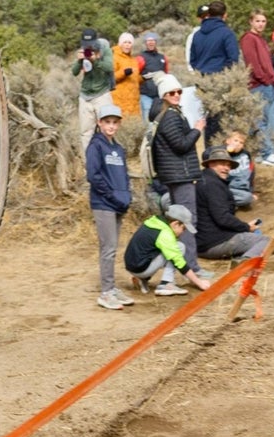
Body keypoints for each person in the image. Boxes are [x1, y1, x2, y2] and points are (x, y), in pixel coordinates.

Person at [147, 73, 203, 281]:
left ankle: (179, 268)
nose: (177, 95)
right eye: (171, 92)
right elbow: (180, 145)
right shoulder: (170, 115)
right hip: (180, 175)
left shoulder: (165, 113)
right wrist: (197, 131)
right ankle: (192, 268)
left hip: (174, 174)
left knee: (179, 221)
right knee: (187, 220)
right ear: (164, 95)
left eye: (179, 91)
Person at [86, 97, 135, 310]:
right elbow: (94, 176)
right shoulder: (96, 146)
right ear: (99, 123)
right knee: (108, 248)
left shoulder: (119, 149)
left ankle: (112, 287)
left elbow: (123, 175)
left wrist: (126, 196)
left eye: (115, 122)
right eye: (107, 122)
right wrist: (113, 197)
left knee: (113, 247)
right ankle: (106, 292)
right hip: (103, 204)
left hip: (118, 204)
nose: (111, 126)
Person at [194, 145, 271, 265]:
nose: (226, 168)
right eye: (222, 164)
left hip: (203, 241)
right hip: (213, 243)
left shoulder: (205, 180)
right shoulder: (213, 185)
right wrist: (246, 227)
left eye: (228, 165)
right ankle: (244, 263)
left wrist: (243, 226)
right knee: (267, 241)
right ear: (211, 164)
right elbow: (222, 218)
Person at [122, 204, 209, 297]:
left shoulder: (155, 221)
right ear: (175, 224)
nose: (183, 232)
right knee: (179, 247)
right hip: (141, 269)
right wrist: (199, 282)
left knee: (161, 250)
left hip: (132, 265)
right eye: (183, 228)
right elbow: (179, 262)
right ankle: (166, 284)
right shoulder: (165, 233)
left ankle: (142, 279)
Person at [240, 10, 274, 163]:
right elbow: (252, 63)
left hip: (266, 84)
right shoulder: (249, 39)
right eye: (258, 21)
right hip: (258, 85)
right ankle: (267, 154)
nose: (260, 24)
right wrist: (265, 79)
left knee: (262, 121)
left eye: (263, 21)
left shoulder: (260, 39)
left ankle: (260, 154)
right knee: (260, 121)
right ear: (251, 22)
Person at [74, 29, 114, 143]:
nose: (88, 47)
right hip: (85, 96)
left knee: (107, 129)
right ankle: (90, 159)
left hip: (102, 94)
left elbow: (109, 67)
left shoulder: (105, 49)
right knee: (85, 132)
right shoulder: (82, 51)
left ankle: (107, 156)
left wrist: (95, 60)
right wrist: (78, 61)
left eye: (90, 43)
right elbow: (74, 72)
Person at [188, 1, 240, 74]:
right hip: (220, 80)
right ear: (225, 15)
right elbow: (233, 58)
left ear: (209, 14)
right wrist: (224, 73)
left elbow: (192, 60)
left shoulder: (197, 35)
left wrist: (200, 72)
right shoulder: (227, 34)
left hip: (201, 79)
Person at [110, 32, 142, 124]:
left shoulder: (133, 60)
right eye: (125, 42)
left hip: (134, 103)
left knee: (134, 129)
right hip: (120, 101)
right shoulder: (114, 57)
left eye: (129, 43)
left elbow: (134, 79)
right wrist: (123, 73)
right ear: (120, 44)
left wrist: (143, 78)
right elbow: (110, 78)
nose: (127, 45)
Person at [136, 32, 169, 120]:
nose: (151, 42)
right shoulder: (141, 58)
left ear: (156, 42)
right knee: (148, 121)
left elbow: (166, 73)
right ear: (145, 43)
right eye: (149, 41)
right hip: (146, 95)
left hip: (160, 95)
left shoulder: (162, 57)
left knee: (161, 120)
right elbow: (135, 76)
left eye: (153, 40)